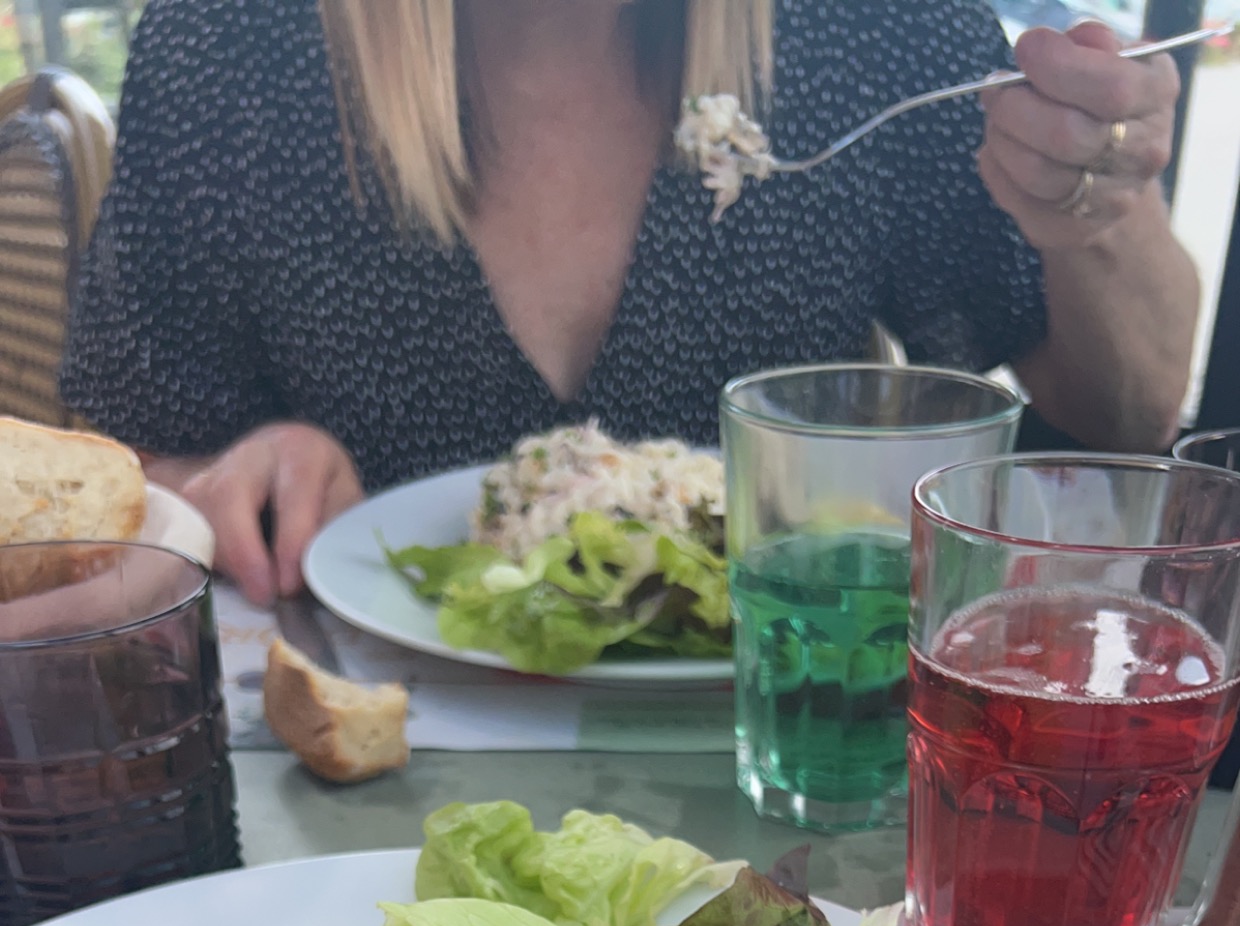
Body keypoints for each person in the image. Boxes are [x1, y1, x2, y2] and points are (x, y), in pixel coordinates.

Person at [61, 0, 1197, 607]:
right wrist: (230, 481)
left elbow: (1125, 415)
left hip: (796, 749)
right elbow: (118, 475)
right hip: (355, 781)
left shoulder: (876, 27)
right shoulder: (232, 42)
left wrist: (1098, 205)